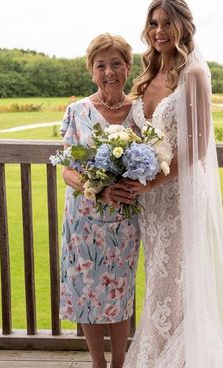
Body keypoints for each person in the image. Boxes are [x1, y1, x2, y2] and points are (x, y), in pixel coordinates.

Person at [122, 0, 223, 367]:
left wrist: (151, 182)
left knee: (177, 280)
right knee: (158, 279)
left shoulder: (195, 75)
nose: (159, 31)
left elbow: (198, 148)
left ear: (183, 26)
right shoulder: (148, 75)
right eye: (153, 23)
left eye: (167, 23)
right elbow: (137, 134)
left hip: (179, 195)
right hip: (150, 201)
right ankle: (157, 351)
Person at [59, 33, 140, 368]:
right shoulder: (77, 111)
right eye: (100, 65)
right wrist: (97, 189)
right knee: (87, 291)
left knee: (120, 291)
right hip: (83, 219)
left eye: (116, 64)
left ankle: (119, 363)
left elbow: (152, 161)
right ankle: (98, 363)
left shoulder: (140, 113)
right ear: (91, 70)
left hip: (124, 219)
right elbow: (67, 170)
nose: (109, 72)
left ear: (128, 67)